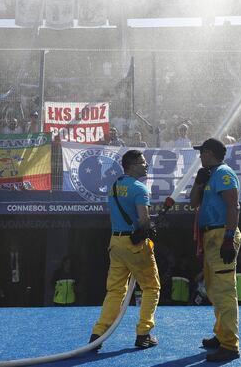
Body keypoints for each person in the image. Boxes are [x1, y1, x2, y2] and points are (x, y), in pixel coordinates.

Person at [90, 150, 160, 350]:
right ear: (131, 165)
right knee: (151, 287)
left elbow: (114, 217)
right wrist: (150, 228)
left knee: (115, 290)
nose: (145, 165)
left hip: (116, 242)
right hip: (135, 245)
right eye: (142, 162)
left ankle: (98, 333)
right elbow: (144, 220)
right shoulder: (140, 188)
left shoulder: (114, 187)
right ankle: (143, 333)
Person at [190, 138, 241, 362]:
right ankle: (221, 335)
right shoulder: (209, 175)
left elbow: (234, 206)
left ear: (209, 152)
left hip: (222, 234)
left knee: (223, 291)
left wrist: (229, 239)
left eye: (201, 152)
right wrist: (198, 184)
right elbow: (194, 202)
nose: (199, 156)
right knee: (213, 289)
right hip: (212, 235)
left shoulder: (223, 173)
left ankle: (230, 345)